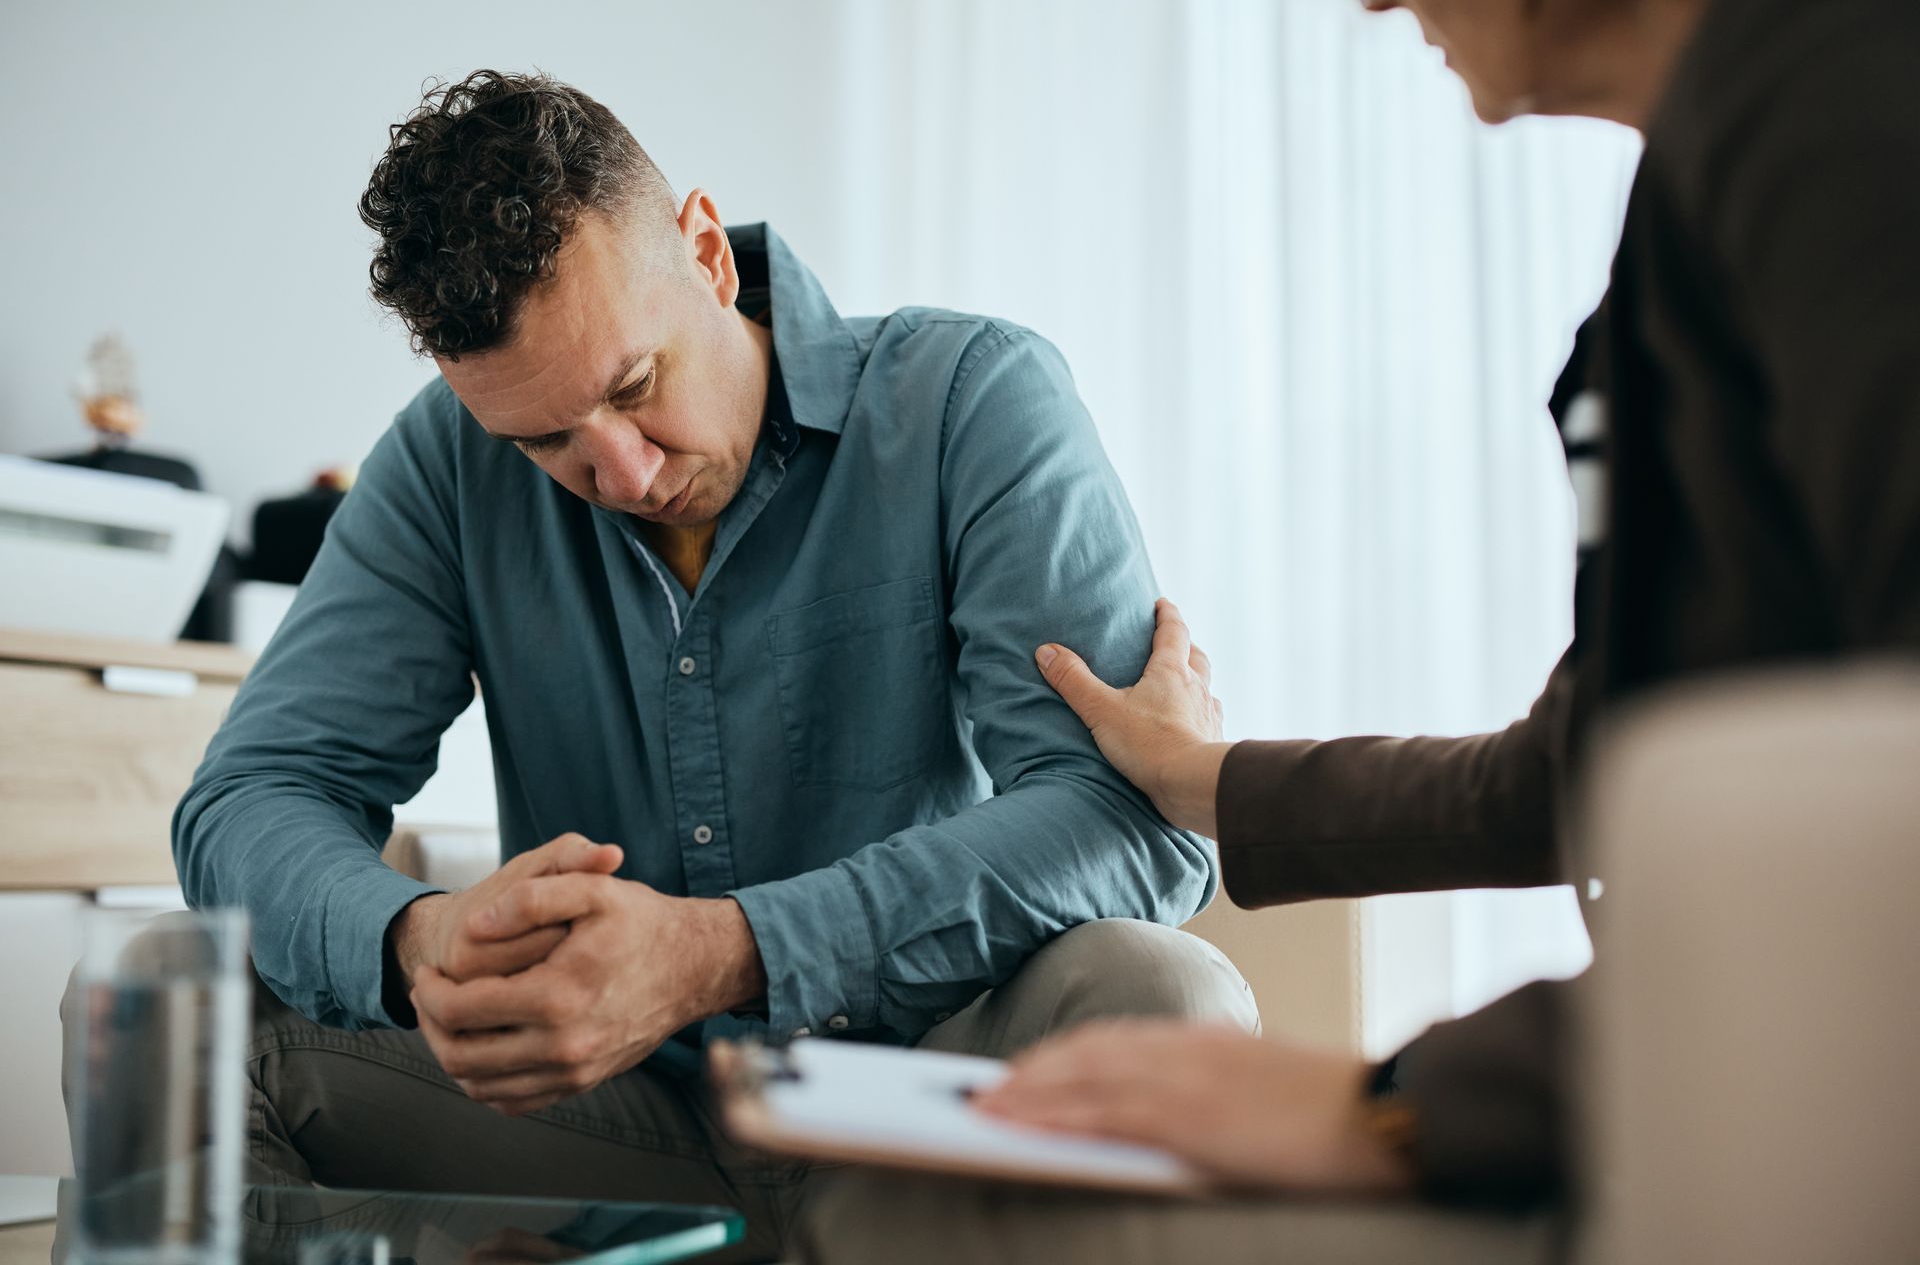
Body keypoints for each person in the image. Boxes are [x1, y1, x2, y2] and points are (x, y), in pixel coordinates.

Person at [800, 0, 1920, 1258]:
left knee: (937, 1215)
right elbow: (1583, 767)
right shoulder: (1707, 169)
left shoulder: (1837, 96)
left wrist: (1394, 1103)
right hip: (1689, 1097)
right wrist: (1202, 775)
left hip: (1780, 1124)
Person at [142, 70, 1257, 1262]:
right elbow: (249, 796)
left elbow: (1134, 826)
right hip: (623, 1125)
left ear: (708, 253)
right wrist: (414, 943)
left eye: (634, 388)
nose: (618, 474)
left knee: (1164, 988)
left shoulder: (971, 402)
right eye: (546, 440)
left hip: (924, 1107)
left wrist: (727, 949)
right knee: (168, 997)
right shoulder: (443, 464)